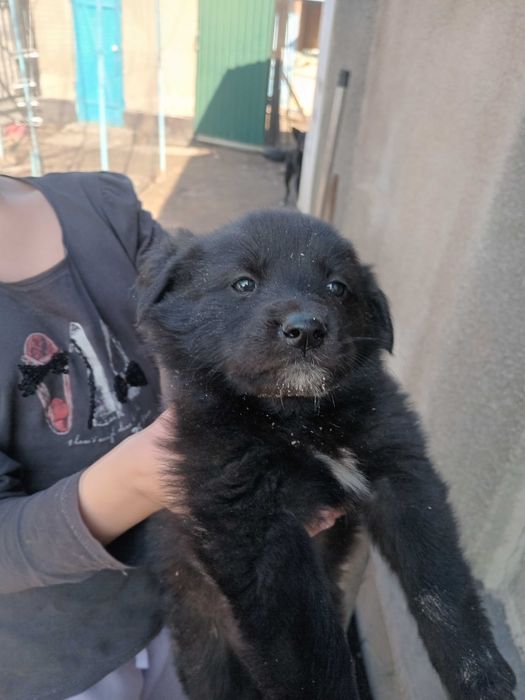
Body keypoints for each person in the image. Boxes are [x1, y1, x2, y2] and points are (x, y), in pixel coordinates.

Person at [0, 172, 342, 700]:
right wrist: (149, 478)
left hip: (192, 596)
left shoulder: (104, 206)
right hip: (59, 661)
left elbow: (202, 317)